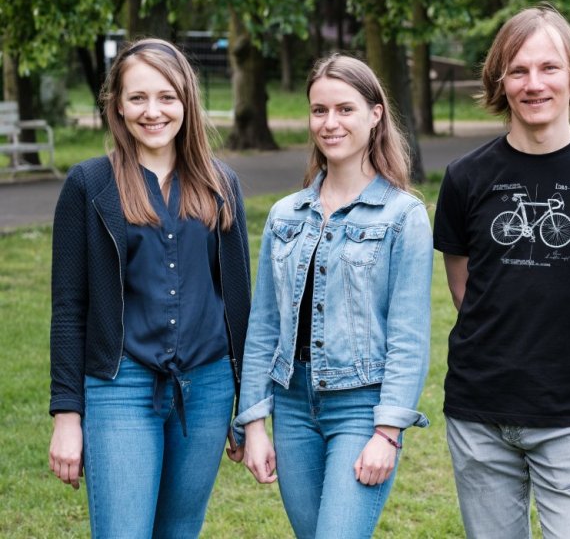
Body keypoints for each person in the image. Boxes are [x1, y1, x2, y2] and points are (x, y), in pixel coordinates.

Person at [433, 5, 570, 538]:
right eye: (519, 70)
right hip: (478, 408)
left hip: (569, 408)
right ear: (499, 80)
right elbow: (464, 287)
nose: (534, 84)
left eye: (549, 68)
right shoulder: (464, 177)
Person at [47, 38, 252, 537]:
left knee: (179, 532)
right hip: (120, 387)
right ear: (117, 104)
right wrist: (67, 416)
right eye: (138, 98)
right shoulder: (88, 184)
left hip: (206, 390)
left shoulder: (221, 184)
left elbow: (241, 303)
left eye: (167, 97)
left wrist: (249, 409)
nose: (153, 111)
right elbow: (70, 308)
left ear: (187, 101)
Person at [234, 54, 433, 538]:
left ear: (375, 113)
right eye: (319, 110)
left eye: (345, 109)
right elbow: (262, 326)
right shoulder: (285, 216)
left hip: (361, 409)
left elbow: (409, 337)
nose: (330, 123)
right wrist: (254, 421)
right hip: (293, 406)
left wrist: (387, 432)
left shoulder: (403, 217)